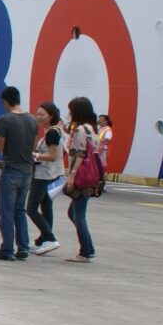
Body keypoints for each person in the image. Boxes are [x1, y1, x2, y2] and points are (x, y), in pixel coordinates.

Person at [0, 85, 37, 261]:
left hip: (11, 170)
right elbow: (33, 147)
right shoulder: (32, 120)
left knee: (6, 212)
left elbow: (0, 146)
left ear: (5, 101)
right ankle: (23, 246)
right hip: (27, 170)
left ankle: (7, 249)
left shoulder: (4, 120)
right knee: (20, 210)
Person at [64, 96, 101, 263]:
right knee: (73, 213)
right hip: (90, 175)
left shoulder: (80, 130)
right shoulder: (93, 129)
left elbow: (80, 154)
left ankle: (85, 251)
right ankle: (89, 247)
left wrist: (71, 176)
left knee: (78, 215)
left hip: (80, 175)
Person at [27, 101, 62, 254]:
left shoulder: (52, 133)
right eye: (37, 114)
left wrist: (35, 156)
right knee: (46, 207)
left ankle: (50, 237)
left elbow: (52, 156)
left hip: (44, 176)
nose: (38, 117)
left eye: (42, 114)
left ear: (51, 116)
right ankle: (43, 240)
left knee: (31, 209)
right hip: (53, 175)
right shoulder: (52, 131)